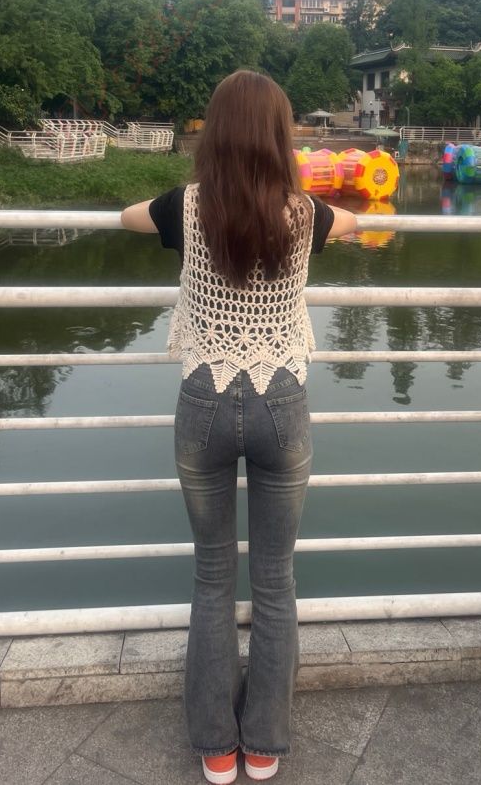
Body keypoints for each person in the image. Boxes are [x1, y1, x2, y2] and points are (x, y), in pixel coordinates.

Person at [121, 69, 357, 784]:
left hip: (204, 402)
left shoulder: (184, 207)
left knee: (212, 575)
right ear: (281, 137)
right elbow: (354, 224)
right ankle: (264, 745)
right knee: (276, 579)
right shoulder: (306, 214)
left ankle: (216, 745)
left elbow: (127, 216)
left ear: (215, 133)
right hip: (282, 402)